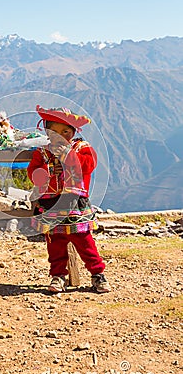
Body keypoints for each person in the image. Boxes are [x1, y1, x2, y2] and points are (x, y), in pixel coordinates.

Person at [27, 105, 111, 293]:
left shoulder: (82, 149)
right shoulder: (42, 153)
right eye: (54, 131)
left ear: (73, 131)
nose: (59, 135)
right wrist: (47, 172)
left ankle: (98, 274)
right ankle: (58, 276)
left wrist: (67, 155)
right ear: (47, 131)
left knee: (84, 240)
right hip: (50, 204)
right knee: (55, 242)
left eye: (65, 131)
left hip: (74, 205)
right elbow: (33, 173)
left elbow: (88, 166)